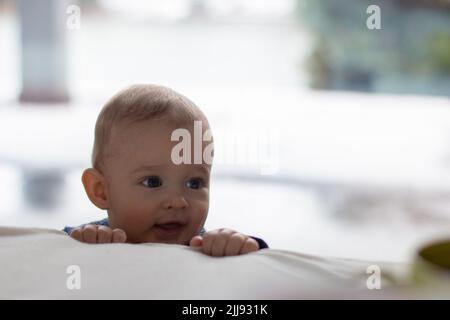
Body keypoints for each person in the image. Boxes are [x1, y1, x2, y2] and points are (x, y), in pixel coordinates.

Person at [63, 84, 268, 257]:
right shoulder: (88, 242)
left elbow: (264, 272)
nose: (178, 201)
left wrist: (240, 247)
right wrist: (76, 249)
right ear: (101, 190)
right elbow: (44, 261)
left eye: (194, 183)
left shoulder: (206, 249)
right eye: (153, 182)